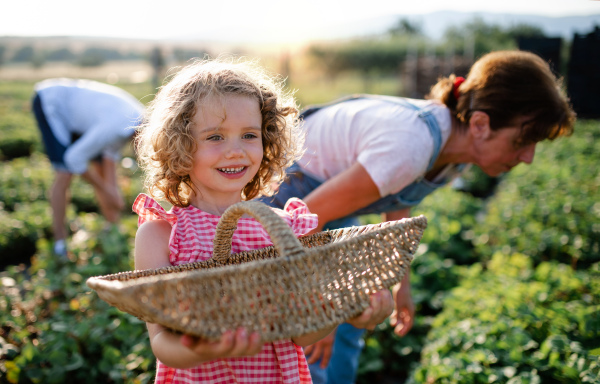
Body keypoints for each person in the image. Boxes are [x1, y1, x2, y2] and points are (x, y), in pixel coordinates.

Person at [260, 50, 576, 384]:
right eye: (523, 141)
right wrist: (318, 309)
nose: (528, 157)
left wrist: (401, 285)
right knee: (308, 342)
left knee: (351, 322)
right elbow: (307, 217)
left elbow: (397, 197)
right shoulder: (411, 143)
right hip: (285, 204)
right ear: (481, 124)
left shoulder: (456, 151)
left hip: (325, 208)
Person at [132, 57, 394, 384]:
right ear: (181, 145)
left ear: (267, 139)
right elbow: (161, 342)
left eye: (249, 135)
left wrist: (345, 309)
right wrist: (204, 350)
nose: (236, 151)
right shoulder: (161, 234)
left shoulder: (281, 230)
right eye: (215, 137)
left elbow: (302, 335)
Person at [32, 78, 145, 258]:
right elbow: (74, 159)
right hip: (53, 103)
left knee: (99, 165)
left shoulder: (135, 119)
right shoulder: (116, 127)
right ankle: (59, 244)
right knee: (65, 172)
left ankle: (113, 228)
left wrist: (113, 193)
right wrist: (105, 190)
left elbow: (108, 162)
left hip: (81, 116)